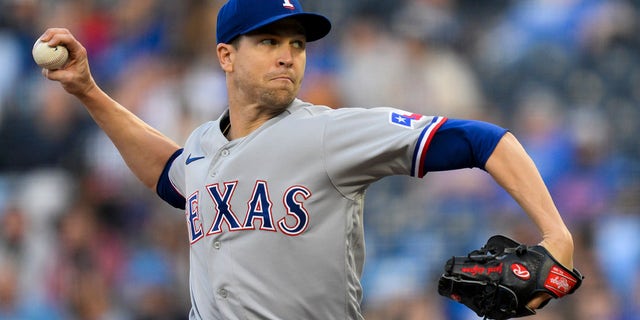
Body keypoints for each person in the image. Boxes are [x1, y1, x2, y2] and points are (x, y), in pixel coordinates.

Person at [40, 0, 576, 319]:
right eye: (270, 40)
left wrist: (557, 233)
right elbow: (168, 172)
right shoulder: (205, 144)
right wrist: (88, 90)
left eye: (297, 44)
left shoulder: (328, 132)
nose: (287, 55)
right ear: (226, 55)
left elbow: (484, 140)